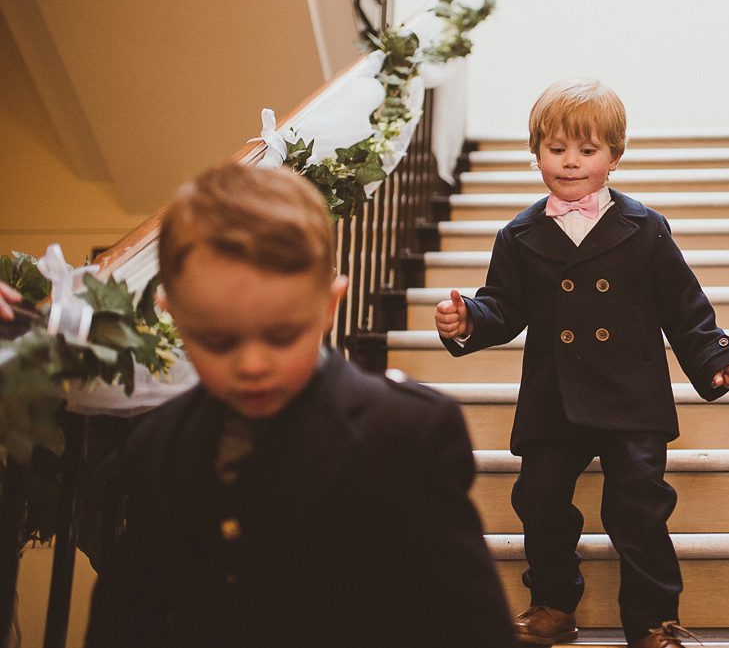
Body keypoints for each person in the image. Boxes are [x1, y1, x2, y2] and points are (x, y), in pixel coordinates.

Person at [85, 163, 516, 648]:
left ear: (330, 307)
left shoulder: (407, 431)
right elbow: (125, 618)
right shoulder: (159, 446)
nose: (251, 364)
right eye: (219, 341)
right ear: (174, 318)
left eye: (282, 336)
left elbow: (469, 623)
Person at [435, 79, 729, 648]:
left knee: (639, 508)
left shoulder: (644, 227)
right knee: (540, 500)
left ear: (614, 158)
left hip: (632, 395)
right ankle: (553, 604)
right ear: (536, 155)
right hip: (555, 396)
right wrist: (470, 319)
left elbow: (684, 304)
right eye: (556, 150)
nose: (570, 162)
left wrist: (711, 357)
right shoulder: (520, 234)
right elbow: (504, 304)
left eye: (586, 150)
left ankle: (653, 621)